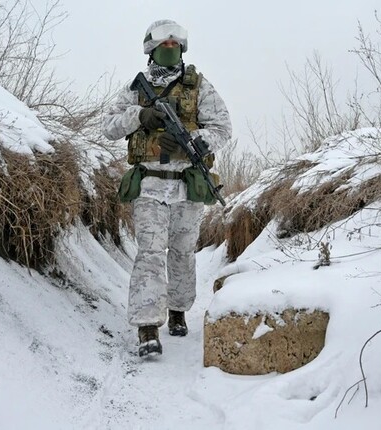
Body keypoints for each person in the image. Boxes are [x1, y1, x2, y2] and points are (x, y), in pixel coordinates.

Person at [102, 19, 232, 357]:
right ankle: (147, 326)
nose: (170, 49)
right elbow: (109, 127)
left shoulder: (198, 86)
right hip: (149, 185)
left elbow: (222, 125)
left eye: (176, 45)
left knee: (183, 253)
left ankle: (177, 310)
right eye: (165, 44)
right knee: (149, 254)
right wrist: (139, 116)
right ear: (151, 48)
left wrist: (201, 143)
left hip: (187, 186)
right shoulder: (136, 88)